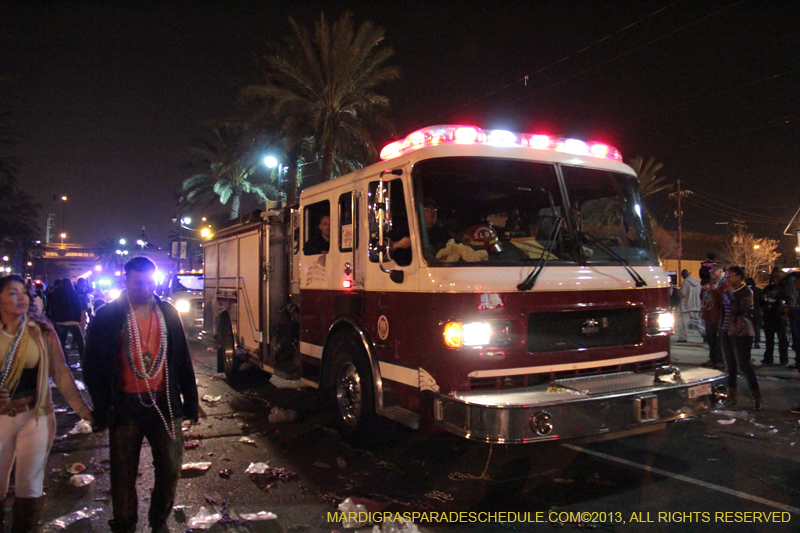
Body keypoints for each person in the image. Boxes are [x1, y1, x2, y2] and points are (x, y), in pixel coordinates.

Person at [84, 257, 199, 533]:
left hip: (164, 405)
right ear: (126, 281)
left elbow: (182, 360)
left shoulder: (168, 313)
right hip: (125, 407)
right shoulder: (108, 316)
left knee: (170, 468)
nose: (145, 288)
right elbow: (92, 367)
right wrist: (102, 407)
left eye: (150, 282)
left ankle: (158, 521)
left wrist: (191, 403)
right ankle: (125, 524)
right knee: (122, 474)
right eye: (138, 283)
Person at [0, 275, 93, 532]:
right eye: (12, 293)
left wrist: (84, 411)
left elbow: (61, 372)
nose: (21, 298)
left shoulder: (40, 330)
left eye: (24, 293)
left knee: (29, 486)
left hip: (34, 415)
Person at [719, 266, 761, 410]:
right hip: (726, 331)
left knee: (744, 365)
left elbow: (737, 310)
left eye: (730, 275)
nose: (727, 278)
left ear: (739, 276)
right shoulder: (727, 291)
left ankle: (756, 397)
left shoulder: (746, 292)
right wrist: (720, 329)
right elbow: (723, 311)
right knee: (729, 365)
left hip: (741, 332)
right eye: (727, 275)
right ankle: (732, 396)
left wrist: (730, 293)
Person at [47, 278, 85, 362]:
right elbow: (78, 306)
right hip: (73, 320)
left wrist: (54, 317)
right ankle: (84, 359)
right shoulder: (74, 293)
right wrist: (78, 318)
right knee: (80, 342)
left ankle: (65, 362)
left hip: (61, 321)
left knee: (61, 344)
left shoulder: (56, 293)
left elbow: (52, 305)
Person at [761, 267, 792, 366]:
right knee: (769, 340)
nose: (775, 280)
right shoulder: (767, 289)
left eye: (777, 277)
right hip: (769, 316)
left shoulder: (784, 288)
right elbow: (761, 301)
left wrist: (778, 302)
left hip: (780, 317)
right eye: (774, 278)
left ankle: (784, 359)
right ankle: (768, 357)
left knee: (782, 340)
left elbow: (787, 300)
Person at [700, 263, 725, 368]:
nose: (711, 274)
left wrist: (715, 290)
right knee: (710, 339)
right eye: (710, 272)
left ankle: (720, 360)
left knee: (717, 339)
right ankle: (713, 358)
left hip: (717, 315)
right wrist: (703, 290)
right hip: (709, 314)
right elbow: (703, 298)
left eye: (714, 271)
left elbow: (723, 298)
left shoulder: (723, 283)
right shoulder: (711, 283)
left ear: (720, 271)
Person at [674, 269, 705, 342]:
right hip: (695, 305)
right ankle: (705, 334)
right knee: (696, 322)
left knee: (681, 322)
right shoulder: (697, 282)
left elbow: (683, 293)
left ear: (684, 275)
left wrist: (678, 292)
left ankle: (682, 337)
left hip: (686, 306)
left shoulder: (686, 282)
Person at [745, 277, 763, 349]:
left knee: (748, 327)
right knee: (756, 327)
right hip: (756, 310)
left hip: (747, 311)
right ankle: (757, 342)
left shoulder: (745, 290)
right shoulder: (758, 290)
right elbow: (761, 301)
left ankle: (749, 341)